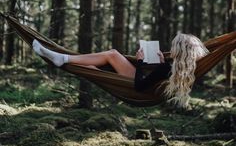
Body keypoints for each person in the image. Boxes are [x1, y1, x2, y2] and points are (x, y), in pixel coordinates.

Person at [32, 33, 209, 107]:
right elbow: (157, 78)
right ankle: (61, 59)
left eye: (174, 46)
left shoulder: (166, 68)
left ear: (180, 50)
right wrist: (160, 64)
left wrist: (139, 62)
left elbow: (140, 85)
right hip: (146, 91)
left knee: (113, 55)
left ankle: (62, 58)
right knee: (93, 68)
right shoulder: (183, 68)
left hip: (137, 90)